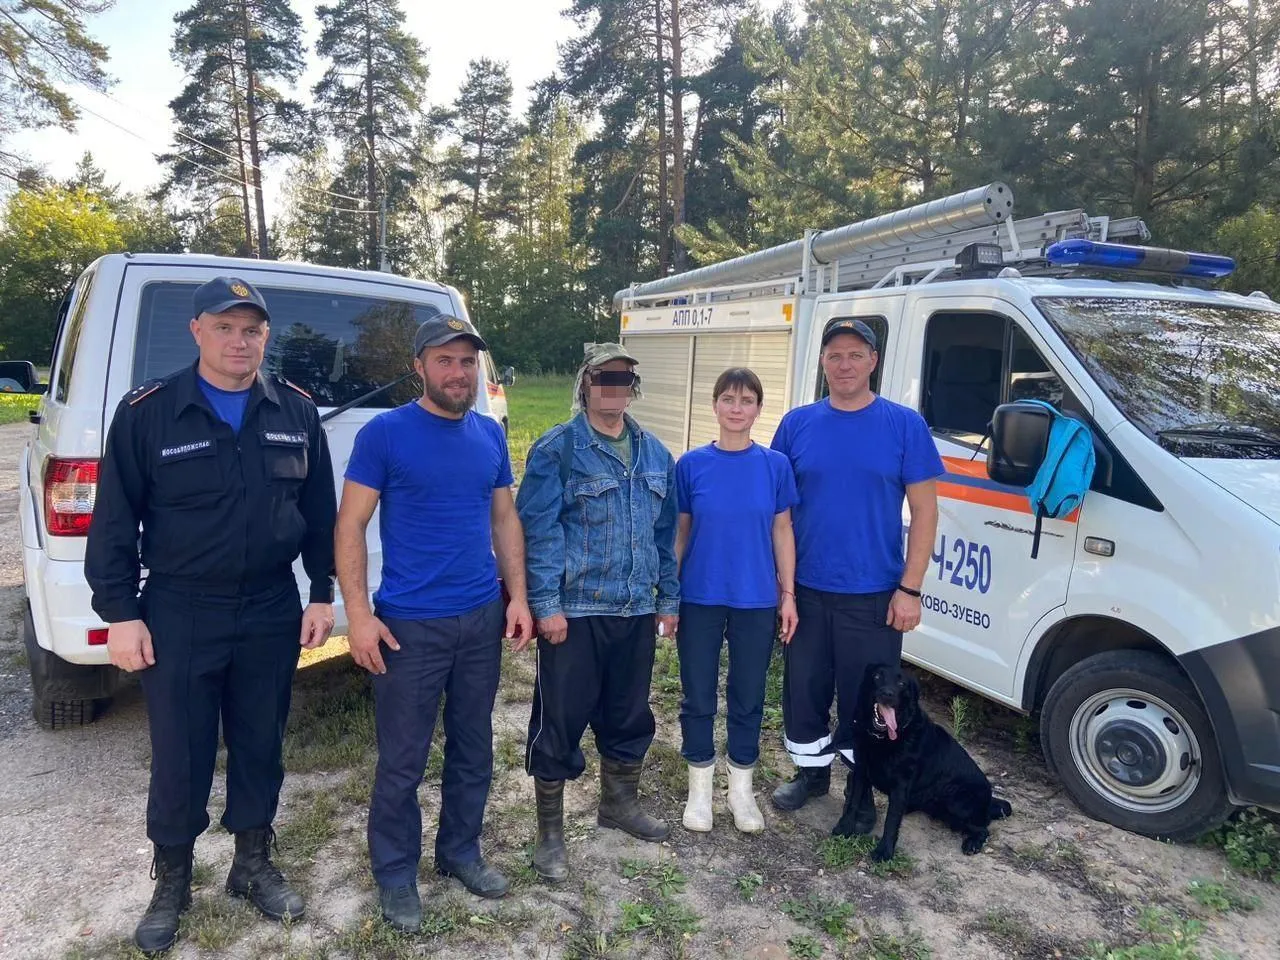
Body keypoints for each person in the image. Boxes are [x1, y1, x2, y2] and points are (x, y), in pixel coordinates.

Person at [85, 276, 337, 955]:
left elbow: (320, 514)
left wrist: (322, 590)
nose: (240, 339)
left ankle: (252, 863)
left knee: (261, 740)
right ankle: (173, 879)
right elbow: (112, 522)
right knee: (181, 750)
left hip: (268, 604)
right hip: (179, 605)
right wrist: (120, 612)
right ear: (196, 330)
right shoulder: (149, 412)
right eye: (225, 326)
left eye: (252, 328)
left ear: (265, 336)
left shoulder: (296, 410)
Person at [334, 314, 533, 931]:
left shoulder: (487, 435)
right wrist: (360, 616)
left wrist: (518, 597)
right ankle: (396, 875)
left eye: (467, 361)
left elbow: (504, 520)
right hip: (410, 626)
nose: (458, 372)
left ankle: (459, 853)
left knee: (473, 746)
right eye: (444, 361)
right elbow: (350, 526)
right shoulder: (386, 433)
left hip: (480, 617)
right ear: (419, 366)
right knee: (403, 760)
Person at [516, 343, 680, 883]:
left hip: (634, 610)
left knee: (629, 713)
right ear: (586, 383)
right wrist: (546, 605)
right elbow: (537, 531)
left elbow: (664, 536)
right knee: (559, 720)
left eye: (625, 379)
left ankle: (618, 805)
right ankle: (550, 835)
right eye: (605, 378)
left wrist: (668, 600)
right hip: (576, 612)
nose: (615, 388)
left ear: (634, 388)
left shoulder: (656, 454)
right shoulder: (557, 451)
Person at [768, 317, 944, 817]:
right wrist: (779, 587)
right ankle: (812, 776)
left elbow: (926, 512)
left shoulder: (904, 425)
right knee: (804, 691)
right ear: (822, 363)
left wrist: (910, 589)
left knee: (869, 698)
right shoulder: (797, 424)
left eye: (855, 354)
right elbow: (777, 512)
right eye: (834, 355)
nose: (844, 364)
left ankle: (862, 792)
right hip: (805, 590)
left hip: (874, 594)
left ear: (873, 362)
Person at [674, 367, 799, 834]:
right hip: (700, 596)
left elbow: (782, 531)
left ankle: (741, 792)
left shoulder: (774, 466)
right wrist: (669, 594)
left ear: (759, 410)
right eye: (728, 399)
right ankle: (700, 792)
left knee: (748, 696)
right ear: (715, 406)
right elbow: (681, 533)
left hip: (756, 599)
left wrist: (788, 594)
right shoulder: (691, 466)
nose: (737, 408)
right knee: (698, 694)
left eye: (747, 401)